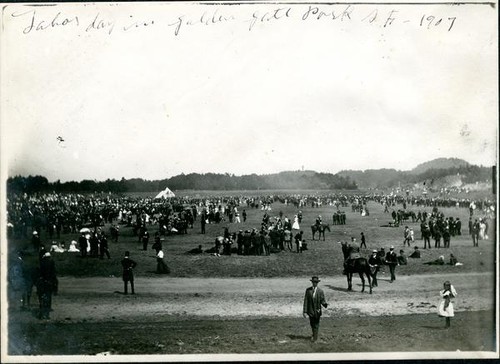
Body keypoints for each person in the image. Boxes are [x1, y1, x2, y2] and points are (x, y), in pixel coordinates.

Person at [303, 276, 328, 342]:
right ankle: (314, 334)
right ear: (312, 282)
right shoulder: (308, 290)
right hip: (310, 310)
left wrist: (325, 304)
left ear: (317, 283)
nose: (315, 283)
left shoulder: (320, 291)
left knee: (316, 324)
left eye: (316, 282)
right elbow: (306, 301)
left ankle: (315, 338)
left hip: (317, 311)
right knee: (312, 323)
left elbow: (322, 300)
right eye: (314, 282)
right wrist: (305, 311)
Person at [37, 252, 57, 319]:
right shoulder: (51, 263)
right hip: (49, 283)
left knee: (42, 299)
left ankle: (41, 314)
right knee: (48, 298)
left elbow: (39, 273)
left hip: (42, 283)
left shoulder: (41, 263)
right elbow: (54, 274)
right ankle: (47, 314)